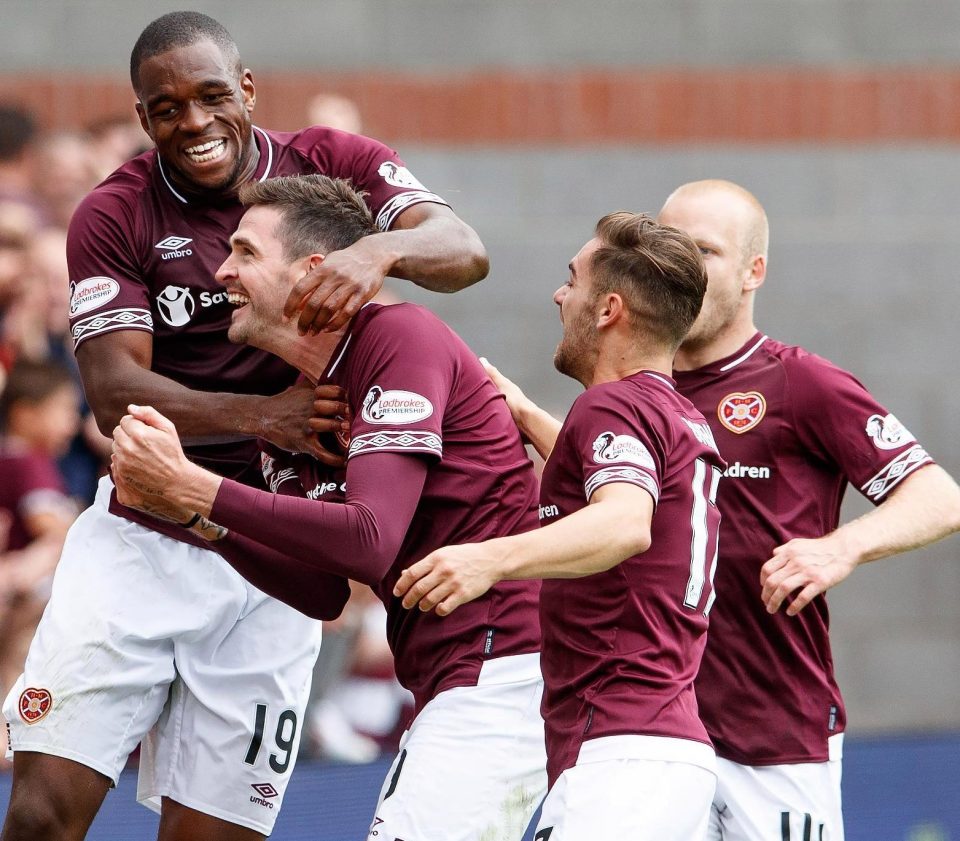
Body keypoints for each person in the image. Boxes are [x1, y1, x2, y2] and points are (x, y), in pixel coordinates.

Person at [1, 10, 488, 841]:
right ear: (142, 115)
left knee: (217, 834)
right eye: (165, 108)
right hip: (145, 531)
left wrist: (374, 253)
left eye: (210, 96)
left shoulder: (332, 166)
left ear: (248, 89)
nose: (191, 122)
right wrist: (268, 416)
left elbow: (463, 248)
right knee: (43, 813)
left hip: (274, 549)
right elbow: (114, 392)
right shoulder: (115, 213)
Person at [479, 180, 960, 841]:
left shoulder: (800, 383)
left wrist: (839, 547)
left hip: (772, 732)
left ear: (754, 271)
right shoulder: (643, 386)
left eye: (706, 250)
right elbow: (634, 497)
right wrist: (528, 414)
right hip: (651, 728)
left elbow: (939, 496)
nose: (686, 266)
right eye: (675, 247)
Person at [110, 173, 547, 841]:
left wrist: (196, 487)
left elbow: (369, 539)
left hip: (505, 669)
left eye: (247, 253)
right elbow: (319, 588)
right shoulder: (293, 407)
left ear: (314, 272)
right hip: (457, 679)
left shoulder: (398, 337)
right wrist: (191, 514)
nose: (221, 271)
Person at [394, 212, 725, 839]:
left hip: (621, 758)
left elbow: (626, 523)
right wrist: (522, 413)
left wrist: (487, 559)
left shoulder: (612, 404)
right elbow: (621, 490)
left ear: (608, 310)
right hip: (662, 751)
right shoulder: (675, 414)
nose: (558, 294)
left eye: (571, 280)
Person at [0, 359, 80, 770]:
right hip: (20, 598)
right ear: (26, 414)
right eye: (64, 410)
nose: (73, 423)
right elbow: (53, 526)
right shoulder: (26, 461)